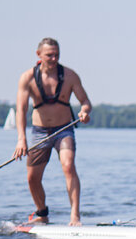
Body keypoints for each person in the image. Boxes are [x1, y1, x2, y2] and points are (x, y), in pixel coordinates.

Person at [13, 37, 92, 225]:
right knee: (32, 178)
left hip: (63, 131)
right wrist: (21, 139)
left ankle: (75, 216)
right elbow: (21, 110)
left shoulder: (70, 76)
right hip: (40, 132)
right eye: (50, 55)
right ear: (39, 54)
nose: (54, 58)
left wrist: (85, 112)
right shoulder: (28, 78)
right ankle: (42, 213)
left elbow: (86, 102)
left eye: (57, 55)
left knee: (68, 166)